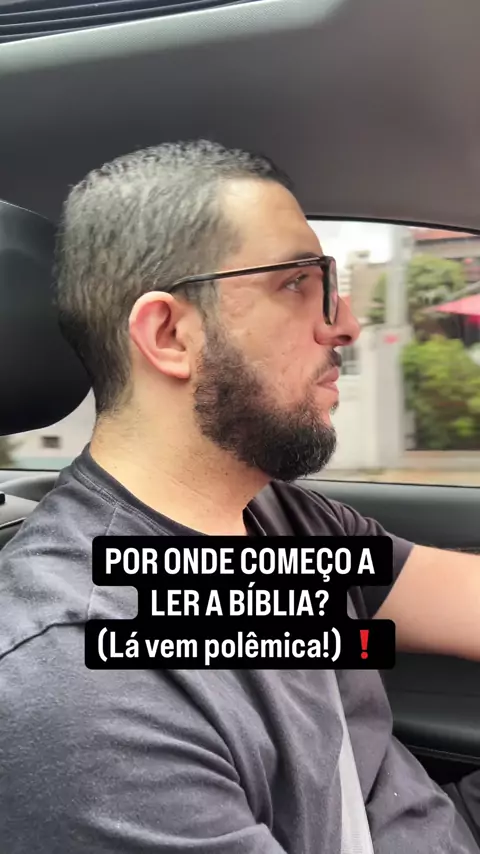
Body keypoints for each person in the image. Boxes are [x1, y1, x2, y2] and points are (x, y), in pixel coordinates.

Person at [0, 140, 479, 854]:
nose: (345, 324)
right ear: (170, 335)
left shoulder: (285, 519)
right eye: (297, 282)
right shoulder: (80, 685)